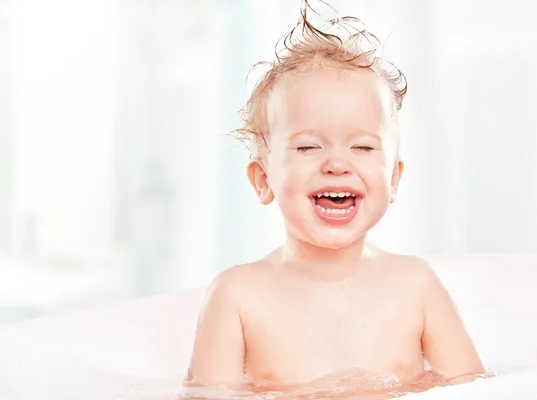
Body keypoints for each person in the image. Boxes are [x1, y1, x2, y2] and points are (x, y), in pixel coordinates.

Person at [186, 0, 484, 395]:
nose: (337, 164)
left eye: (362, 147)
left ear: (393, 179)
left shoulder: (416, 285)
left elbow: (474, 389)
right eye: (308, 147)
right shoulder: (238, 294)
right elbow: (208, 395)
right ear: (263, 179)